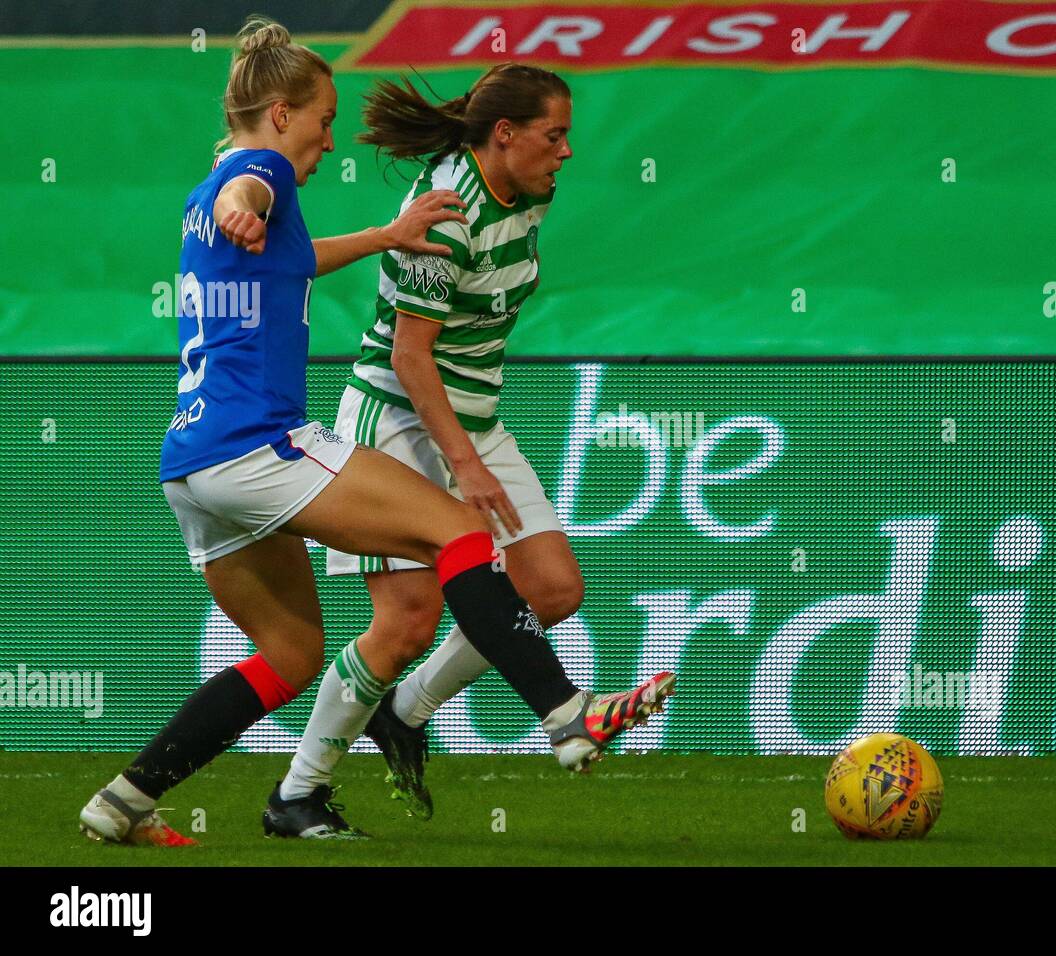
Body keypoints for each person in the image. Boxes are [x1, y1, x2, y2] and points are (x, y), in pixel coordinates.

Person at [77, 17, 673, 847]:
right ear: (281, 115)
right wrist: (244, 204)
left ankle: (123, 802)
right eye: (323, 122)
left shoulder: (210, 188)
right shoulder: (257, 173)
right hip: (261, 446)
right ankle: (566, 714)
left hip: (192, 462)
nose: (329, 142)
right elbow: (248, 191)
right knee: (459, 533)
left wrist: (381, 238)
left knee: (290, 655)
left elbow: (285, 250)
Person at [271, 64, 637, 829]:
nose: (567, 151)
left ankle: (404, 710)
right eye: (554, 135)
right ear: (505, 134)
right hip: (399, 418)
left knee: (552, 589)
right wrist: (463, 467)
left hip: (473, 416)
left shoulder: (530, 188)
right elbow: (411, 357)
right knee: (406, 623)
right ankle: (297, 794)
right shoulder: (445, 215)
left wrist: (472, 448)